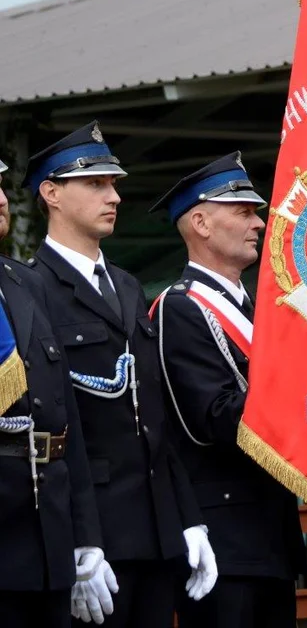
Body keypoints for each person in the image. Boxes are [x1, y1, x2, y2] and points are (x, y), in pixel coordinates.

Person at [24, 121, 216, 627]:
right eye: (95, 184)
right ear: (51, 194)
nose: (113, 195)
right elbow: (52, 426)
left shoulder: (128, 286)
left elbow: (155, 414)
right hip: (97, 540)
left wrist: (189, 518)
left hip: (154, 530)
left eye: (113, 184)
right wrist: (78, 540)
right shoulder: (33, 290)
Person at [148, 153, 305, 628]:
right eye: (243, 212)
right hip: (225, 537)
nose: (259, 223)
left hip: (272, 532)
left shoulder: (260, 310)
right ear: (200, 222)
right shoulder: (180, 308)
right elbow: (214, 417)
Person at [0, 156, 113, 627]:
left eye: (1, 188)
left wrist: (86, 536)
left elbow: (68, 423)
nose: (1, 200)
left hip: (47, 527)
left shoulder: (23, 282)